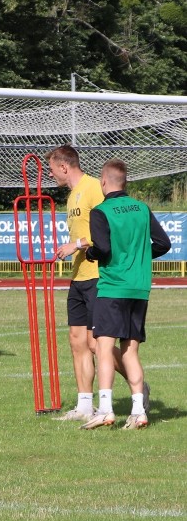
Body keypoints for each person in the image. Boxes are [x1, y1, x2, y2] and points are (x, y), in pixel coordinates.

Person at [49, 145, 147, 421]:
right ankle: (84, 404)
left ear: (64, 167)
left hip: (99, 277)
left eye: (53, 169)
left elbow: (104, 235)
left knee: (96, 344)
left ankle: (138, 386)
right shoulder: (71, 197)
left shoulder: (94, 187)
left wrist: (75, 245)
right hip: (78, 276)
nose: (52, 174)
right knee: (77, 341)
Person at [80, 159, 171, 429]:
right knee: (130, 351)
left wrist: (90, 253)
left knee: (103, 348)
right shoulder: (142, 208)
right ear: (125, 182)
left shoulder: (101, 211)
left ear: (103, 182)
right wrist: (140, 256)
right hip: (139, 289)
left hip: (112, 287)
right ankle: (138, 410)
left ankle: (106, 409)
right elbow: (163, 243)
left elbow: (104, 249)